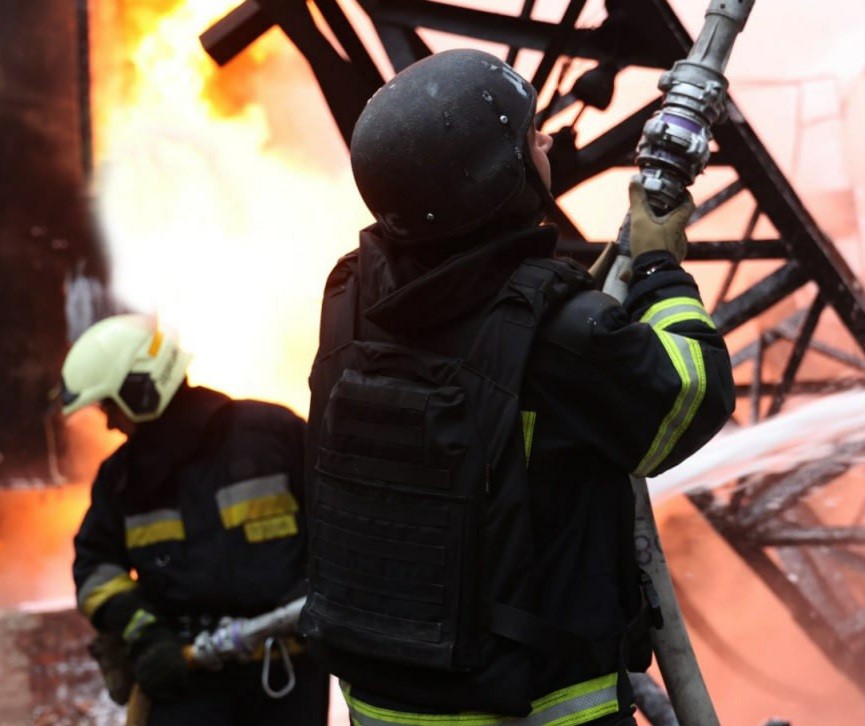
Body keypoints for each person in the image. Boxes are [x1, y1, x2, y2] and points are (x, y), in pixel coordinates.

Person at [302, 49, 734, 725]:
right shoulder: (560, 334)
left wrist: (578, 308)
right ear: (493, 179)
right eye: (526, 133)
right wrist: (658, 269)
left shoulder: (351, 294)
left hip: (382, 706)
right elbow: (690, 400)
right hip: (534, 709)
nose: (544, 139)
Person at [62, 314, 329, 725]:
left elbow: (342, 526)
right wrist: (146, 636)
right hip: (183, 676)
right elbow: (95, 566)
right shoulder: (122, 479)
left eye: (110, 406)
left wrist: (314, 589)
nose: (111, 423)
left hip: (284, 671)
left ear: (141, 390)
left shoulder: (274, 435)